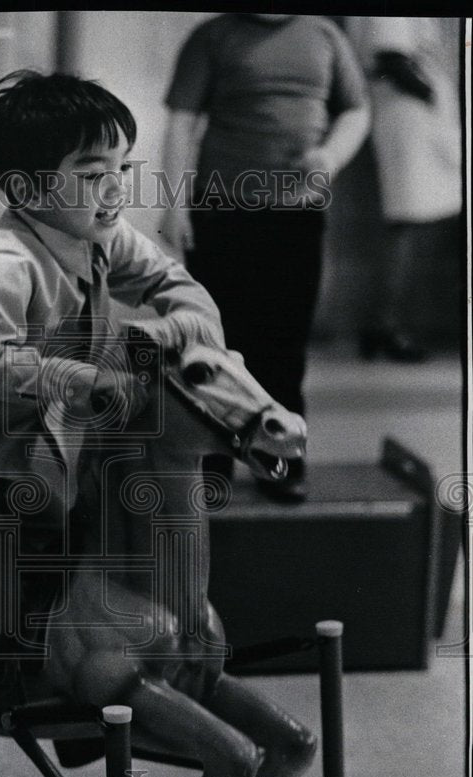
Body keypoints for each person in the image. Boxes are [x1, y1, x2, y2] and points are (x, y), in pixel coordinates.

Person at [0, 70, 237, 777]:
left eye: (120, 170)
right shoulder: (3, 263)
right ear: (25, 186)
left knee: (107, 568)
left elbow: (178, 282)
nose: (112, 190)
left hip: (39, 463)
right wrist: (80, 378)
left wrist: (180, 323)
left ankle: (83, 717)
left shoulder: (103, 237)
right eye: (89, 173)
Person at [161, 13, 370, 501]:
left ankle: (281, 458)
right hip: (222, 213)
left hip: (295, 216)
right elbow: (180, 123)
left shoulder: (325, 36)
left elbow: (356, 111)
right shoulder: (212, 37)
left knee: (284, 343)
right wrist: (173, 207)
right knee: (213, 345)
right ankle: (210, 464)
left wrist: (331, 156)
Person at [346, 16, 462, 361]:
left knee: (415, 222)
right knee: (406, 222)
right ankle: (384, 327)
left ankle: (384, 326)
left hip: (417, 118)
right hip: (409, 119)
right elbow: (391, 60)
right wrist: (430, 95)